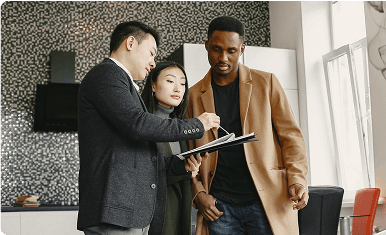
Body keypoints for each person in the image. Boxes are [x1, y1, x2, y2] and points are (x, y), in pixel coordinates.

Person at [77, 21, 220, 235]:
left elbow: (144, 158)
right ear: (131, 42)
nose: (153, 63)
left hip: (128, 212)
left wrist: (182, 166)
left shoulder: (122, 83)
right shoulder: (107, 75)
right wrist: (198, 124)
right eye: (151, 53)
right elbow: (139, 124)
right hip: (116, 209)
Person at [187, 16, 309, 235]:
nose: (223, 57)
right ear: (206, 46)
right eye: (216, 49)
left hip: (267, 200)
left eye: (231, 51)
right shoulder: (193, 96)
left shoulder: (267, 83)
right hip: (219, 207)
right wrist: (198, 193)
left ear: (242, 49)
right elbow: (188, 152)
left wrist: (298, 178)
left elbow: (291, 137)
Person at [141, 61, 196, 235]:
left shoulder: (180, 126)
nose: (178, 89)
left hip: (181, 205)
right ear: (153, 85)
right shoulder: (143, 124)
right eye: (171, 81)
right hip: (155, 210)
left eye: (182, 83)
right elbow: (146, 173)